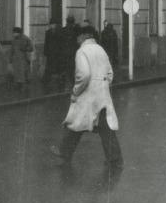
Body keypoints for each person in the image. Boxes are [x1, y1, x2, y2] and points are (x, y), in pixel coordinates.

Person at [50, 25, 123, 170]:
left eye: (78, 37)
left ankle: (64, 152)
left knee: (76, 123)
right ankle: (115, 159)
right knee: (105, 126)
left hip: (88, 93)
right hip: (102, 94)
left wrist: (76, 90)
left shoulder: (82, 51)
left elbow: (84, 75)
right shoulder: (101, 49)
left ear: (83, 36)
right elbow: (110, 73)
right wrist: (103, 85)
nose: (77, 40)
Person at [42, 18, 63, 87]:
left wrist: (61, 51)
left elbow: (61, 42)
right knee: (49, 67)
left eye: (53, 24)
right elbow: (46, 42)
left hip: (57, 53)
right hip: (50, 53)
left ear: (56, 25)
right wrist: (45, 52)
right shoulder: (48, 32)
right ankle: (46, 81)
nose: (52, 26)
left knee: (58, 67)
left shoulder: (60, 32)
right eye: (51, 24)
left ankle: (60, 81)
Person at [61, 15, 81, 87]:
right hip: (73, 52)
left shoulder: (63, 30)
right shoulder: (75, 30)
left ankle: (65, 82)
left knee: (66, 68)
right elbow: (78, 42)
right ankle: (72, 82)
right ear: (73, 22)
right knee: (72, 68)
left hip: (65, 52)